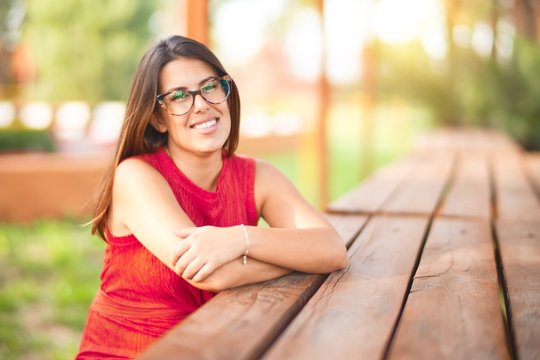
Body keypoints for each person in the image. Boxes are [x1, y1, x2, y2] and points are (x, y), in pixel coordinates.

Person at [76, 34, 348, 359]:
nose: (202, 104)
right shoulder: (136, 176)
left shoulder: (258, 176)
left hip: (214, 347)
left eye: (210, 87)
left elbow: (332, 249)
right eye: (179, 96)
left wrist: (240, 239)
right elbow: (211, 274)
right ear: (157, 118)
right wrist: (299, 259)